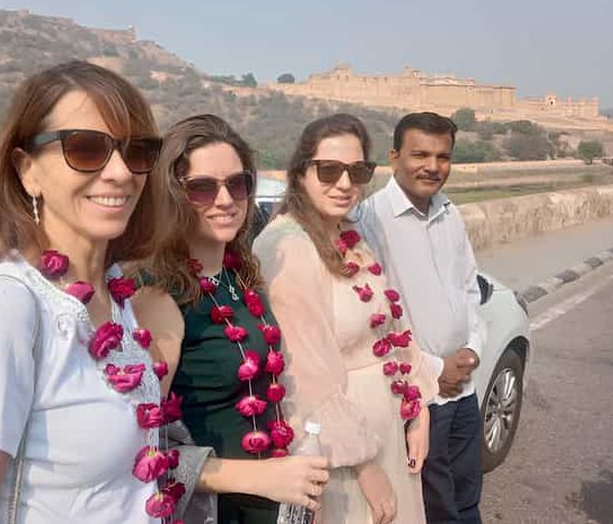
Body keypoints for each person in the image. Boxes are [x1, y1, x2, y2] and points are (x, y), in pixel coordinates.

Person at [0, 61, 170, 522]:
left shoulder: (112, 300)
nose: (121, 172)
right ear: (27, 170)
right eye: (86, 149)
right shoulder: (2, 309)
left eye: (137, 151)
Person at [130, 114, 330, 524]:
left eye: (237, 184)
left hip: (266, 501)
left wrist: (291, 480)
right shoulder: (159, 297)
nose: (225, 200)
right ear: (172, 194)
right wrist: (261, 478)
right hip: (213, 510)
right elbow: (137, 452)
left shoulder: (239, 274)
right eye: (202, 188)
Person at [252, 114, 440, 524]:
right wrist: (365, 465)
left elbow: (391, 322)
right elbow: (304, 374)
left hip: (385, 422)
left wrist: (417, 409)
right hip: (342, 447)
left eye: (357, 171)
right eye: (329, 170)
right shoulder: (288, 247)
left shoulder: (348, 234)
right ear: (301, 172)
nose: (344, 183)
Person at [358, 111, 486, 523]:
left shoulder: (449, 213)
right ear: (394, 157)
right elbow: (372, 322)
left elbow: (469, 287)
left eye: (442, 156)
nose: (432, 167)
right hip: (417, 399)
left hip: (463, 392)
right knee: (435, 509)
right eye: (420, 154)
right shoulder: (369, 222)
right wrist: (434, 368)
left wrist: (472, 349)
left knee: (467, 498)